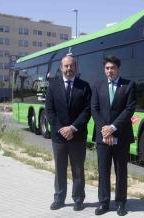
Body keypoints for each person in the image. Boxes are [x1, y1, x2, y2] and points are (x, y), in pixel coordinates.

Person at [45, 54, 91, 211]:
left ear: (76, 67)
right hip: (58, 137)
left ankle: (78, 199)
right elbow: (49, 111)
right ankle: (59, 198)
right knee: (60, 168)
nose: (69, 68)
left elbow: (87, 110)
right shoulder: (53, 86)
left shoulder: (84, 86)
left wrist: (72, 128)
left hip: (77, 136)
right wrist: (61, 129)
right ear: (61, 67)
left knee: (78, 169)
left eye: (71, 66)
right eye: (66, 66)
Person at [91, 56, 136, 216]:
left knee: (121, 171)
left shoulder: (129, 85)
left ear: (118, 69)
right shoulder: (97, 85)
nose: (110, 71)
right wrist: (105, 129)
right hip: (102, 136)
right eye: (107, 68)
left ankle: (121, 203)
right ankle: (103, 203)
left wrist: (112, 127)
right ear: (105, 70)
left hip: (121, 136)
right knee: (103, 171)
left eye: (113, 68)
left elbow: (129, 109)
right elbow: (94, 109)